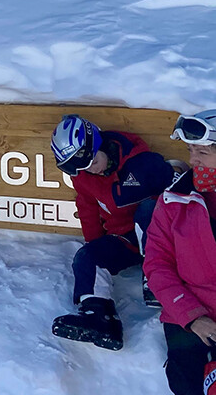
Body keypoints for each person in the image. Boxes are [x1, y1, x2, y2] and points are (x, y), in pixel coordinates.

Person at [49, 113, 176, 350]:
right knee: (87, 256)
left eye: (92, 162)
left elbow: (176, 195)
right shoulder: (84, 176)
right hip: (124, 239)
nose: (90, 170)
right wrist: (96, 248)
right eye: (81, 168)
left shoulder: (141, 163)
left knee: (148, 209)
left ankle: (158, 282)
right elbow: (86, 208)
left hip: (159, 238)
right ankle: (99, 318)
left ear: (99, 144)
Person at [144, 110, 216, 394]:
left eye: (202, 152)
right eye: (190, 151)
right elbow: (157, 265)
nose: (193, 161)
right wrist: (193, 317)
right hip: (187, 314)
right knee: (187, 383)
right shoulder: (174, 200)